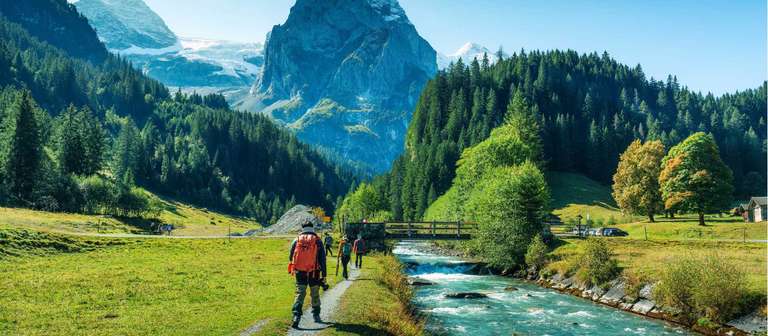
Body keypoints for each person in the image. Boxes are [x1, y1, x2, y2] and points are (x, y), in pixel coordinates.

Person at [288, 220, 327, 328]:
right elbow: (323, 259)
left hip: (300, 272)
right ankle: (316, 315)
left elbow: (290, 257)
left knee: (300, 293)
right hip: (314, 272)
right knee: (314, 293)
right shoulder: (318, 241)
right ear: (312, 228)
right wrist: (324, 274)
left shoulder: (297, 240)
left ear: (303, 228)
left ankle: (296, 316)